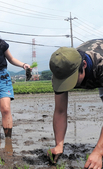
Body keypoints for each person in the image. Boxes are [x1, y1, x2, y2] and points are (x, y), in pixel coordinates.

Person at [48, 39, 103, 169]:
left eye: (71, 80)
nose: (69, 85)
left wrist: (99, 151)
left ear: (84, 65)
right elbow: (60, 111)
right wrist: (59, 145)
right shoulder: (61, 69)